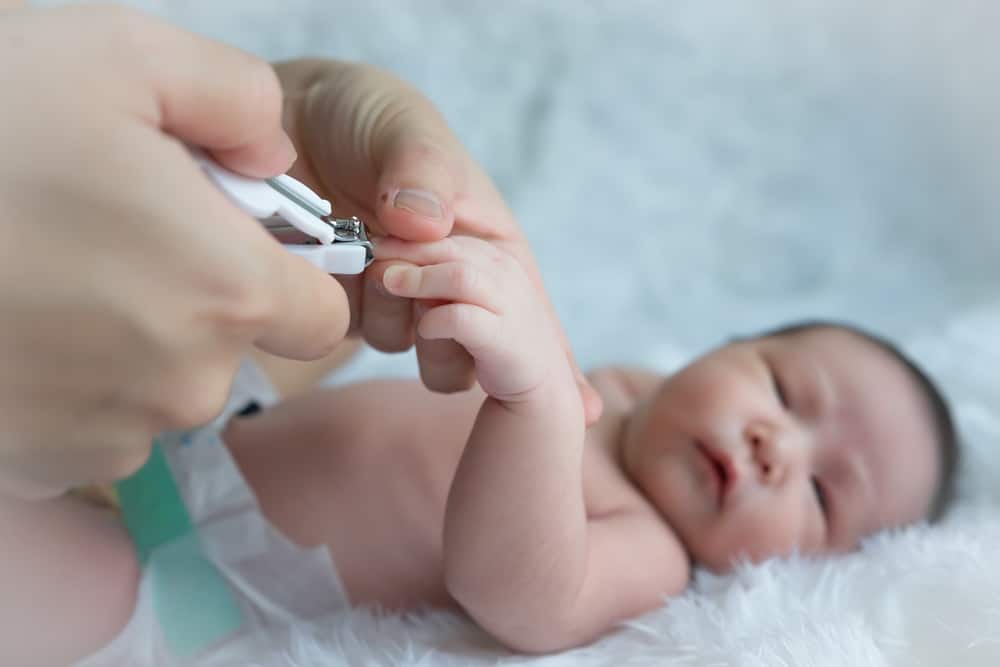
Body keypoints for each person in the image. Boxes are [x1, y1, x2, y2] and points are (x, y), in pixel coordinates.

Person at [0, 4, 600, 666]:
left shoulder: (653, 529)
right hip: (189, 439)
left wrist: (544, 405)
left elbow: (525, 602)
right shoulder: (627, 383)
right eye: (744, 358)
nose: (743, 434)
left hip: (194, 587)